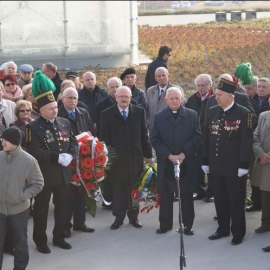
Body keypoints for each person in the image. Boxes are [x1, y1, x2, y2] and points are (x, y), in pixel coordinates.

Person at [26, 70, 78, 254]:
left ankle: (59, 237)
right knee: (41, 210)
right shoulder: (32, 127)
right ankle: (40, 240)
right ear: (41, 110)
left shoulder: (64, 122)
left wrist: (71, 155)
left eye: (55, 107)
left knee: (63, 208)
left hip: (63, 174)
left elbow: (73, 142)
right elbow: (34, 151)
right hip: (44, 175)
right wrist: (56, 157)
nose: (55, 110)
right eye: (50, 108)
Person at [202, 76, 253, 245]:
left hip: (234, 167)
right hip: (216, 166)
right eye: (216, 94)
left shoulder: (243, 113)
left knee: (236, 200)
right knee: (220, 199)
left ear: (231, 95)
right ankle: (222, 228)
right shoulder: (212, 111)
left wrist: (244, 165)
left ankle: (238, 232)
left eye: (220, 95)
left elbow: (246, 141)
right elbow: (207, 138)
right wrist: (205, 161)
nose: (216, 98)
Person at [100, 86, 154, 230]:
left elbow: (144, 135)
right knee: (118, 190)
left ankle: (133, 217)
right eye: (121, 96)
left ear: (131, 98)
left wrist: (148, 155)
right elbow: (103, 138)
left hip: (135, 158)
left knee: (134, 189)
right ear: (115, 97)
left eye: (127, 96)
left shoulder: (138, 111)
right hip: (116, 160)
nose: (124, 99)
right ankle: (118, 218)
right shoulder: (107, 114)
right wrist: (105, 160)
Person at [151, 87, 201, 235]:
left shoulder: (191, 115)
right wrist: (169, 156)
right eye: (171, 98)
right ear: (166, 100)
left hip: (186, 161)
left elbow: (197, 137)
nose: (174, 101)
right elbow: (155, 139)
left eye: (177, 98)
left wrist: (183, 154)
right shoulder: (159, 117)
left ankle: (187, 225)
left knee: (186, 195)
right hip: (166, 161)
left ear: (182, 99)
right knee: (166, 195)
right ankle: (165, 224)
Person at [0, 126, 44, 270]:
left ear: (15, 141)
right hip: (0, 210)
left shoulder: (29, 161)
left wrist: (21, 196)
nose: (2, 142)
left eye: (6, 140)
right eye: (2, 139)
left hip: (19, 210)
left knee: (20, 243)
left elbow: (38, 184)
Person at [58, 87, 95, 238]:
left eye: (75, 98)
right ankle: (65, 226)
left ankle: (80, 223)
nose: (73, 100)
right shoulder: (59, 114)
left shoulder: (83, 112)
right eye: (69, 98)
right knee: (67, 196)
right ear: (62, 99)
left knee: (81, 193)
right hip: (67, 159)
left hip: (83, 158)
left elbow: (89, 131)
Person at [146, 67, 180, 134]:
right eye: (159, 76)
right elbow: (147, 110)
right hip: (154, 130)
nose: (161, 78)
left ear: (168, 76)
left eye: (163, 75)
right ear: (155, 78)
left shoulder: (176, 90)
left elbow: (180, 110)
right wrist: (148, 124)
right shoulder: (150, 91)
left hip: (170, 131)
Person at [252, 110, 270, 236]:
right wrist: (260, 153)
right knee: (265, 193)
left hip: (267, 159)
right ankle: (266, 223)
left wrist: (268, 156)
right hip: (264, 163)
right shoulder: (263, 116)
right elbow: (255, 136)